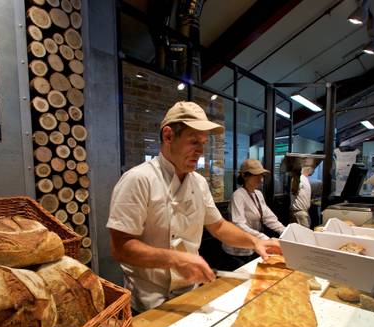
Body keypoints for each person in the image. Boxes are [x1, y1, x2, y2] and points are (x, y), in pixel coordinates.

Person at [107, 101, 281, 312]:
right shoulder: (138, 179)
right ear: (168, 136)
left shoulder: (198, 182)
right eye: (193, 142)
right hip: (147, 304)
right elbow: (120, 248)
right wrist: (175, 259)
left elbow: (218, 226)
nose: (200, 151)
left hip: (191, 294)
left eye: (203, 143)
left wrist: (255, 241)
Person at [222, 159, 286, 267]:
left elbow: (268, 217)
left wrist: (284, 231)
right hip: (237, 249)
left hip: (253, 245)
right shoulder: (238, 195)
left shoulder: (258, 194)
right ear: (245, 176)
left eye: (261, 175)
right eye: (256, 175)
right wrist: (263, 238)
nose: (260, 179)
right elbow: (239, 224)